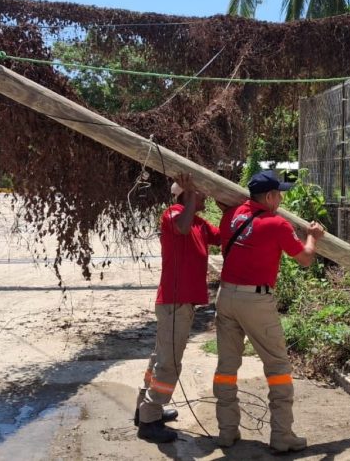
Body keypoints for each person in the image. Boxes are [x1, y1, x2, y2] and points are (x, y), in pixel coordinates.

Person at [212, 169, 324, 452]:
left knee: (226, 367)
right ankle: (282, 435)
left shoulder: (232, 216)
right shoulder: (277, 224)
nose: (281, 199)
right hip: (256, 301)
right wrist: (313, 236)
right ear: (271, 196)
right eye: (280, 194)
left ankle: (226, 432)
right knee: (278, 368)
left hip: (226, 296)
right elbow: (305, 259)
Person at [135, 174, 223, 444]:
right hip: (174, 302)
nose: (204, 198)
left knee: (160, 357)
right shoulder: (173, 215)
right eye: (200, 194)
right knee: (169, 363)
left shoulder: (198, 222)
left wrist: (228, 205)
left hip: (181, 303)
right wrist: (193, 196)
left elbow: (221, 238)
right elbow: (182, 228)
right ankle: (150, 420)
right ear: (187, 195)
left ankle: (145, 408)